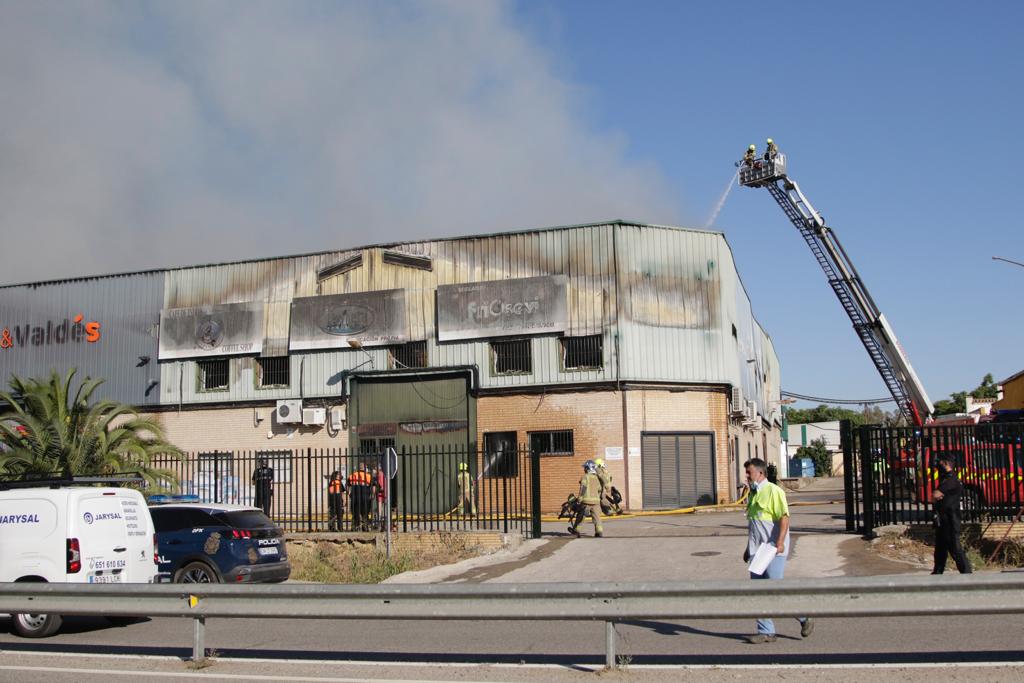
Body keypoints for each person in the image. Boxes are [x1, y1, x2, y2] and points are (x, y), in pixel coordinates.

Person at [742, 457, 813, 643]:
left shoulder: (774, 491)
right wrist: (747, 549)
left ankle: (804, 617)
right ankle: (766, 631)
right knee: (758, 593)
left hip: (772, 550)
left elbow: (784, 518)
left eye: (749, 472)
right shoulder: (753, 494)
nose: (747, 476)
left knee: (775, 591)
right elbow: (755, 525)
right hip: (757, 552)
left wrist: (780, 543)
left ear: (760, 473)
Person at [932, 456, 972, 575]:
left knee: (954, 547)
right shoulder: (946, 479)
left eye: (940, 464)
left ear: (946, 464)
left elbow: (935, 495)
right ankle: (938, 572)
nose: (937, 466)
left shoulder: (951, 480)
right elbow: (936, 496)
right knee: (940, 548)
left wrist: (937, 495)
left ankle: (966, 571)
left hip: (950, 519)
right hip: (943, 519)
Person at [568, 460, 605, 538]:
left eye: (585, 467)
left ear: (588, 468)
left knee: (581, 516)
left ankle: (576, 530)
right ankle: (599, 531)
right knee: (597, 518)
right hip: (596, 502)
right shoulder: (597, 478)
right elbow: (599, 489)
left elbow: (583, 487)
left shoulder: (585, 476)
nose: (584, 469)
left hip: (586, 501)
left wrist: (580, 498)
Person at [348, 462, 373, 531]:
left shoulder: (352, 475)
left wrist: (349, 494)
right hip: (365, 497)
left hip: (355, 498)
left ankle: (354, 527)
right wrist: (372, 495)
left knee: (355, 513)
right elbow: (373, 486)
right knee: (365, 513)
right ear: (365, 468)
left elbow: (348, 486)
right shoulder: (368, 476)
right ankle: (365, 527)